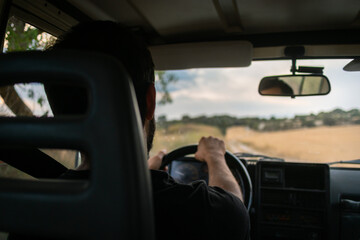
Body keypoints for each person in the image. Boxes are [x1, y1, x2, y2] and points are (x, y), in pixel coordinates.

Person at [46, 21, 249, 240]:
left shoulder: (35, 207)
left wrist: (146, 170)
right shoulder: (197, 212)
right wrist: (215, 156)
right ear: (149, 101)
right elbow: (235, 206)